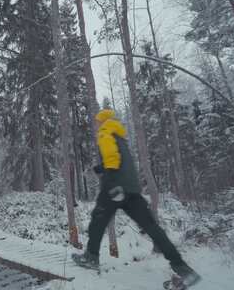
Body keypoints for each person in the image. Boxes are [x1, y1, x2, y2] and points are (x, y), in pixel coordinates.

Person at [72, 109, 201, 287]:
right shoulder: (120, 136)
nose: (96, 125)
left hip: (115, 187)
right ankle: (182, 268)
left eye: (96, 122)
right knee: (151, 227)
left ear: (102, 121)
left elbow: (112, 159)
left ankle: (91, 257)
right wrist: (101, 168)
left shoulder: (105, 132)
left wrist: (109, 176)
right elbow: (120, 160)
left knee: (97, 220)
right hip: (133, 190)